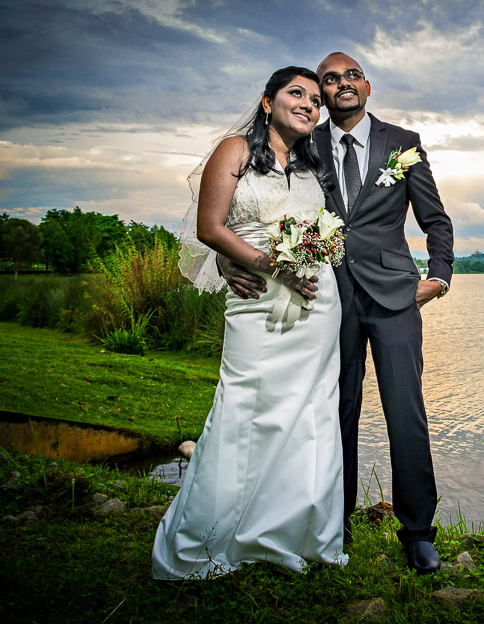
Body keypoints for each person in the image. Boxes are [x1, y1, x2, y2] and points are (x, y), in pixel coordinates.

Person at [221, 52, 454, 574]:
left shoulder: (404, 143)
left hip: (396, 299)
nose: (341, 84)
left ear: (367, 86)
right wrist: (224, 256)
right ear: (321, 94)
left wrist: (439, 276)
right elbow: (263, 206)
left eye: (351, 76)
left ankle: (418, 532)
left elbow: (435, 219)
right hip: (327, 298)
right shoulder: (306, 144)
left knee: (406, 414)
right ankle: (336, 522)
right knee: (334, 413)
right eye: (329, 79)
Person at [152, 66, 347, 579]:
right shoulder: (234, 150)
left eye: (314, 99)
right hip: (256, 297)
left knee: (310, 414)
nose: (308, 103)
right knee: (241, 408)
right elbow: (209, 226)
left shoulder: (312, 168)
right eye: (295, 93)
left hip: (317, 304)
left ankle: (294, 534)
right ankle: (210, 537)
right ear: (268, 102)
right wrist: (267, 266)